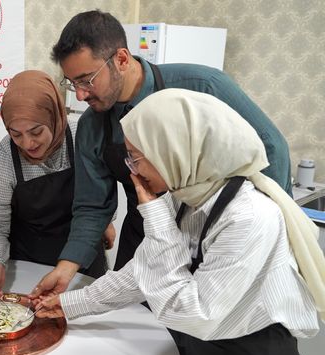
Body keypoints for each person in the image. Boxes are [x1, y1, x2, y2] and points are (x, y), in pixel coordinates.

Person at [37, 88, 324, 355]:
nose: (132, 170)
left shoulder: (248, 216)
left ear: (171, 151)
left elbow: (195, 314)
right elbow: (145, 269)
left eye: (135, 157)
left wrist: (155, 213)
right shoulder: (188, 194)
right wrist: (69, 304)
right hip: (202, 353)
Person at [30, 10, 293, 299]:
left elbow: (271, 149)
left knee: (203, 327)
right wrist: (67, 268)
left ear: (120, 59)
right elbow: (92, 205)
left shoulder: (203, 87)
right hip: (145, 234)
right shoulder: (92, 125)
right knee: (133, 326)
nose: (79, 95)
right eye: (71, 83)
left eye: (87, 80)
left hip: (216, 235)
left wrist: (260, 234)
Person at [0, 70, 108, 299]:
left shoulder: (82, 136)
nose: (27, 143)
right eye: (16, 134)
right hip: (29, 267)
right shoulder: (5, 156)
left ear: (54, 117)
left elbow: (102, 194)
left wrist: (106, 222)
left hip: (83, 262)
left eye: (36, 131)